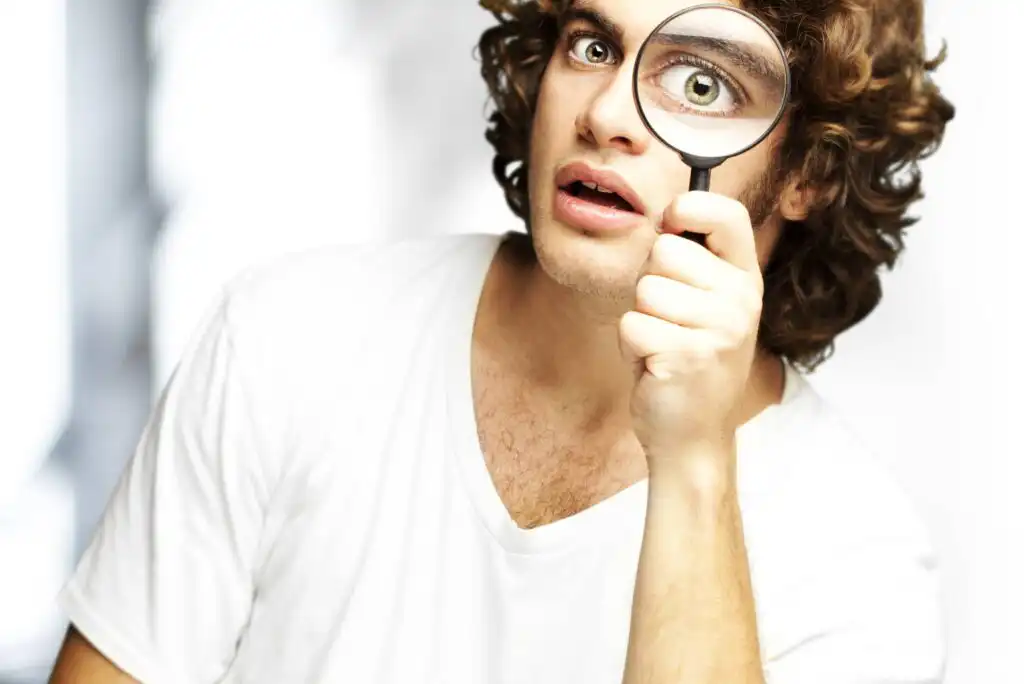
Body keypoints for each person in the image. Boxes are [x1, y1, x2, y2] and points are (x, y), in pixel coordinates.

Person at [49, 0, 955, 681]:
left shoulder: (858, 555)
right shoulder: (284, 338)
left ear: (805, 172)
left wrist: (693, 466)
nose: (605, 113)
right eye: (592, 47)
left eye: (701, 84)